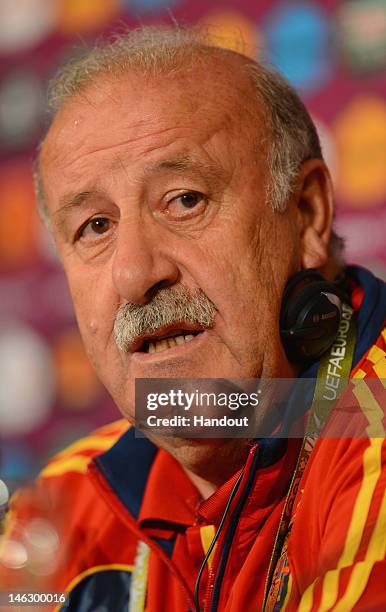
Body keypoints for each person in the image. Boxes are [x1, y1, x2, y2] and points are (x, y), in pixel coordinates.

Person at [1, 26, 385, 611]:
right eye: (95, 227)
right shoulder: (61, 503)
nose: (134, 274)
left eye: (184, 199)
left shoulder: (372, 444)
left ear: (306, 214)